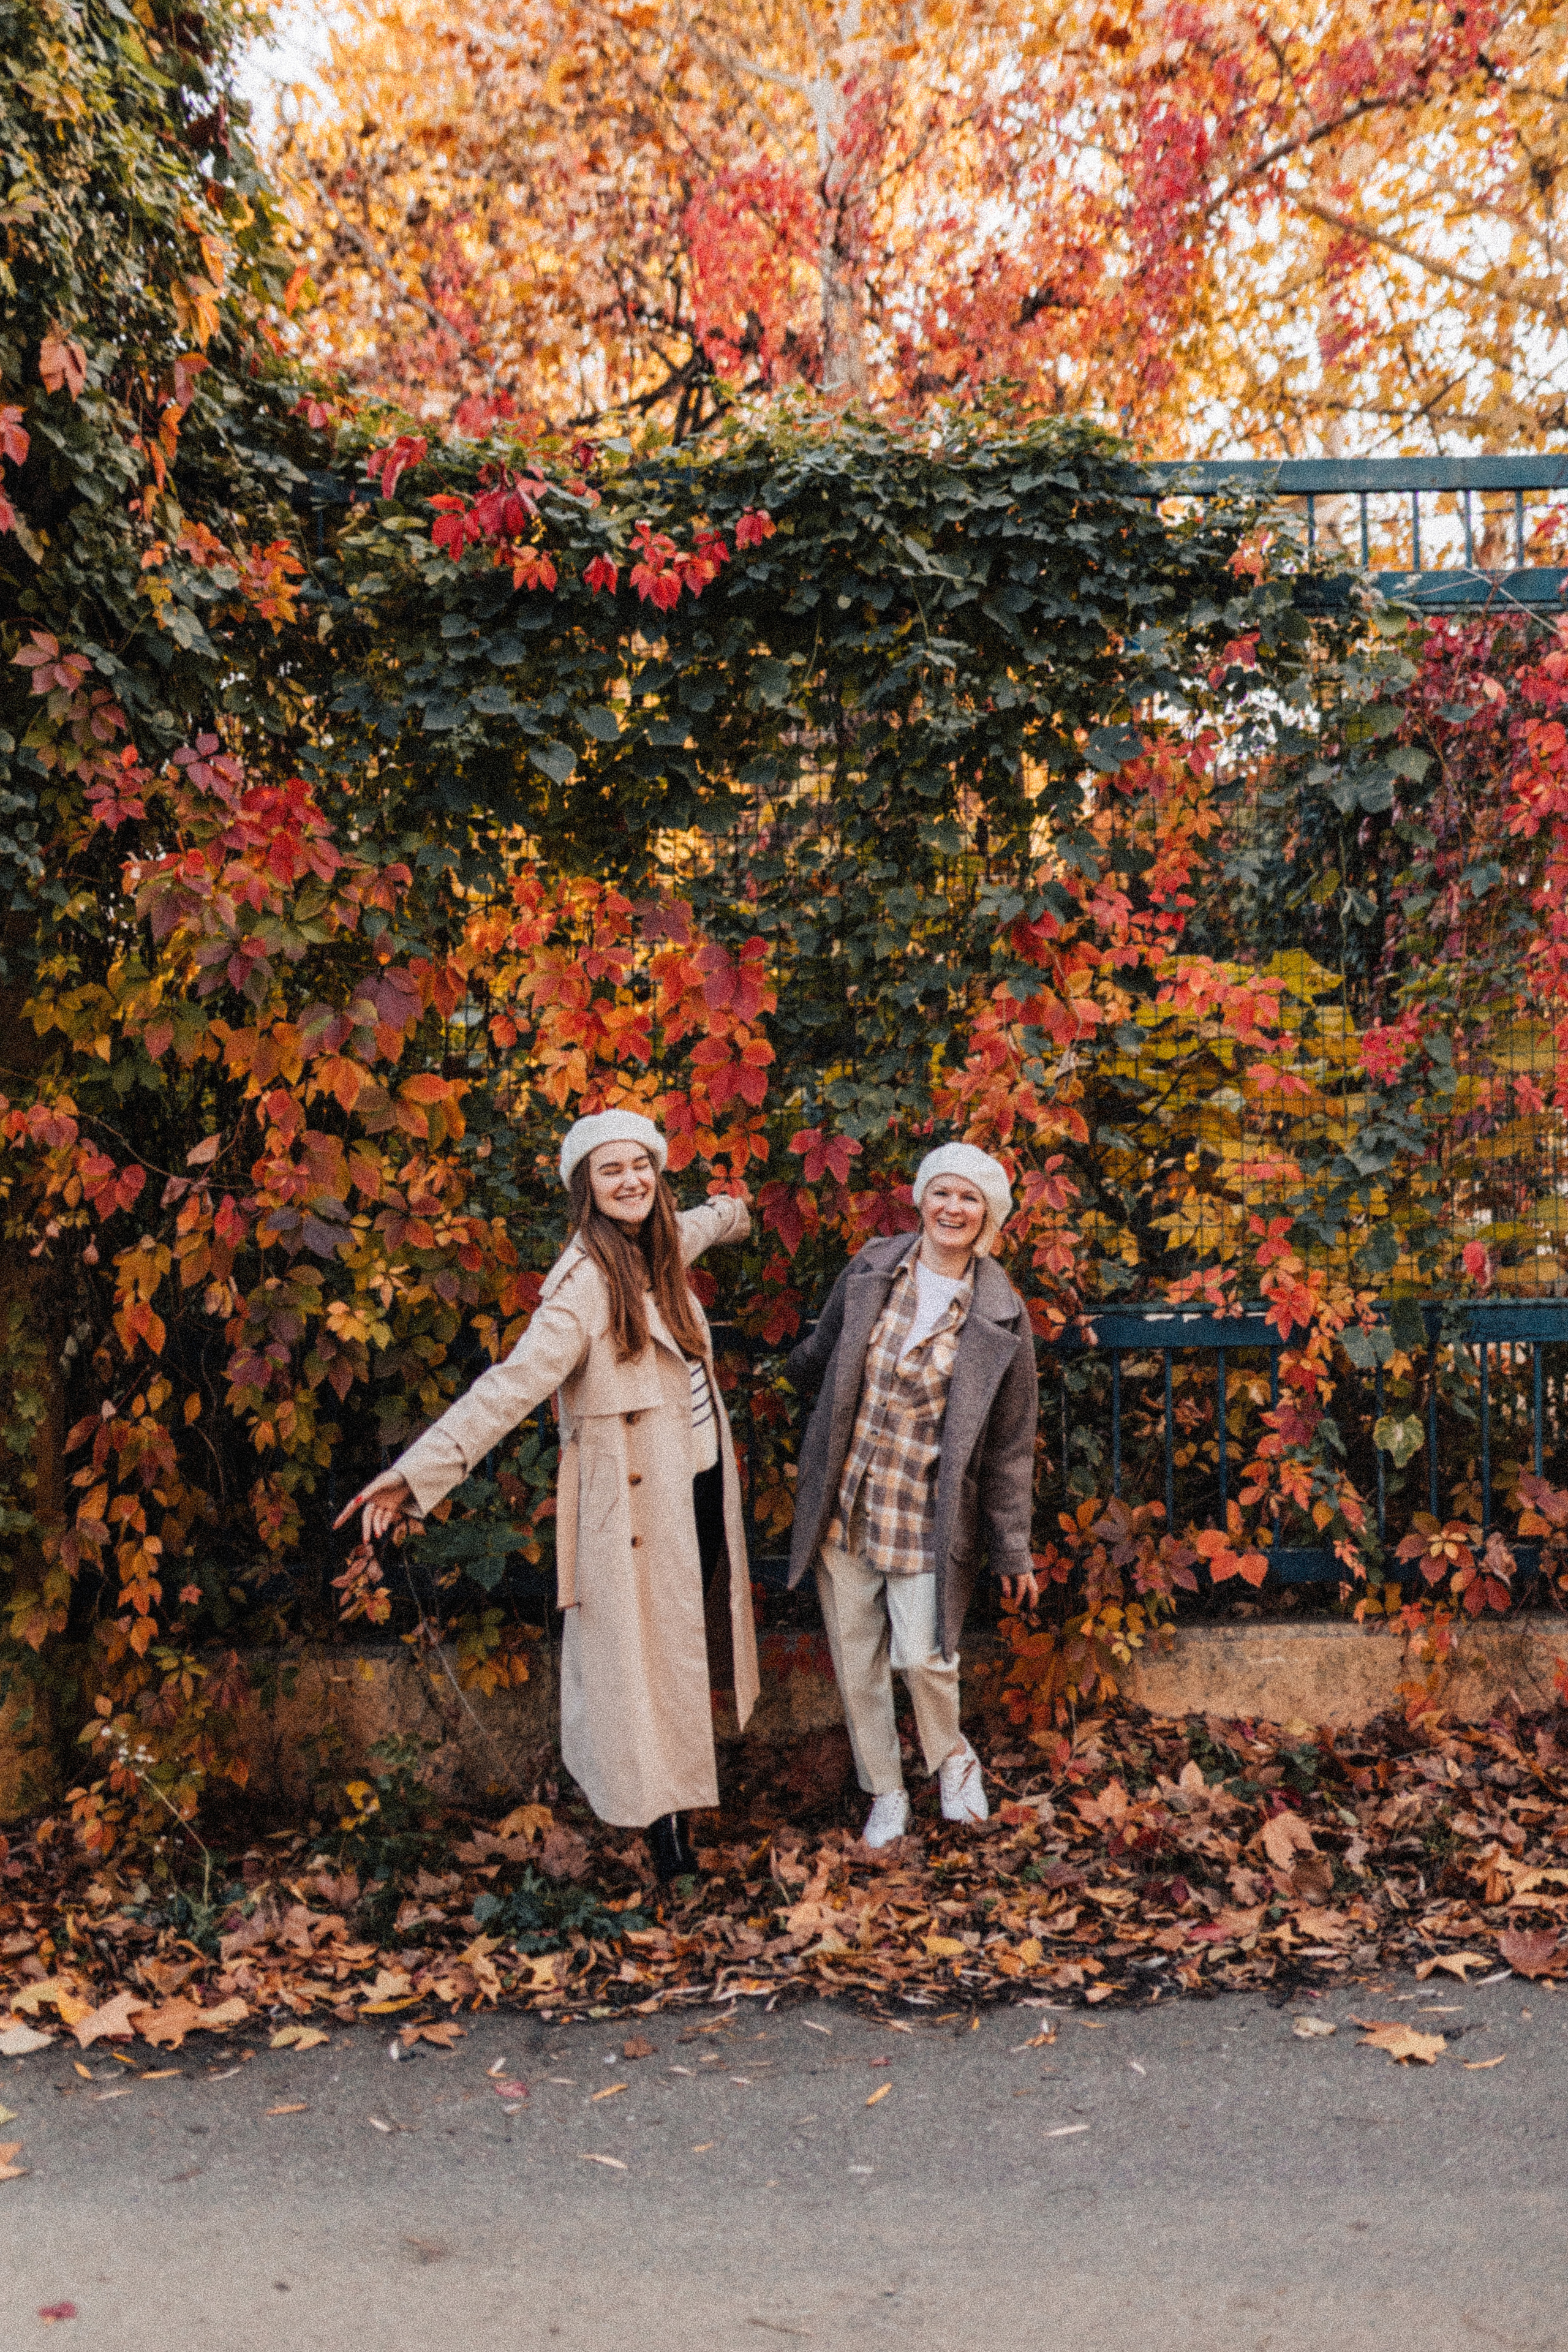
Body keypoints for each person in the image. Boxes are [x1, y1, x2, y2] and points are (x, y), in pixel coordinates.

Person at [333, 1109, 758, 1883]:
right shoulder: (585, 1286)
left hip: (696, 1483)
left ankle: (675, 1818)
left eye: (641, 1165)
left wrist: (738, 1210)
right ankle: (668, 1841)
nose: (630, 1181)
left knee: (679, 1652)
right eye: (610, 1171)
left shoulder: (664, 1243)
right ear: (585, 1189)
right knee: (647, 1664)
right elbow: (511, 1387)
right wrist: (417, 1473)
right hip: (634, 1504)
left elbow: (709, 1220)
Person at [783, 1142, 1040, 1848]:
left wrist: (1012, 1549)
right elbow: (822, 1352)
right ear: (921, 1199)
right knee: (857, 1663)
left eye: (968, 1198)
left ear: (988, 1215)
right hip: (845, 1506)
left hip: (924, 1518)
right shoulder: (872, 1267)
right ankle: (886, 1791)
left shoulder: (1002, 1315)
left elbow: (1010, 1448)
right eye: (941, 1192)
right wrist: (786, 1383)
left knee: (925, 1657)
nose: (951, 1208)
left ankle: (953, 1759)